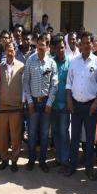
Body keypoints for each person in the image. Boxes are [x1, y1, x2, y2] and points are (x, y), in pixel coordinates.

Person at [64, 32, 97, 180]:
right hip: (75, 105)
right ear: (80, 45)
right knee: (74, 137)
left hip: (90, 107)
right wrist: (69, 99)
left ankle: (88, 167)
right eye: (84, 43)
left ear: (92, 45)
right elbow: (69, 83)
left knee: (89, 140)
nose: (86, 45)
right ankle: (72, 165)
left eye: (89, 43)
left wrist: (95, 104)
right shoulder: (74, 61)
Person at [23, 35, 58, 172]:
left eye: (43, 45)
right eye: (38, 46)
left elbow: (54, 85)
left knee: (44, 135)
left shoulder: (52, 63)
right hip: (33, 103)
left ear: (47, 46)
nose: (40, 48)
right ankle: (31, 160)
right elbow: (26, 82)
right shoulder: (30, 61)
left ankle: (42, 161)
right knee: (31, 134)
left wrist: (49, 103)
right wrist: (30, 101)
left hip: (46, 105)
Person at [0, 43, 25, 172]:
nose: (10, 52)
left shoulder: (21, 66)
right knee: (2, 134)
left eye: (12, 50)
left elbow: (24, 86)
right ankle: (4, 158)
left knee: (15, 134)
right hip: (3, 106)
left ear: (15, 51)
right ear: (5, 52)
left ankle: (14, 159)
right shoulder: (0, 67)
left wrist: (23, 102)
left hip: (16, 106)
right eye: (8, 50)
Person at [51, 36, 70, 173]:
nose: (60, 50)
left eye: (62, 47)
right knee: (56, 132)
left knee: (64, 133)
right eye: (58, 47)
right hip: (52, 105)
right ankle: (58, 157)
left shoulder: (71, 63)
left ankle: (65, 160)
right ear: (54, 49)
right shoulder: (51, 62)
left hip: (64, 106)